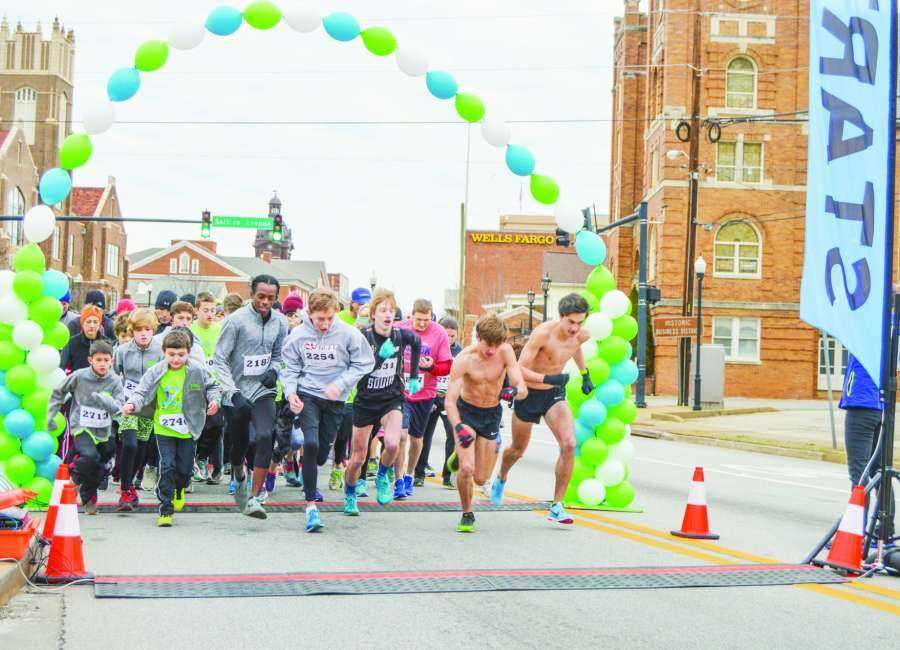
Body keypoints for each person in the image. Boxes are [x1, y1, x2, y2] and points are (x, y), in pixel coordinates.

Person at [494, 293, 594, 525]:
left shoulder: (581, 334)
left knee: (569, 443)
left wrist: (585, 374)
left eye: (580, 322)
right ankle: (501, 477)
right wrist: (548, 376)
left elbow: (575, 348)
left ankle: (557, 505)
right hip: (528, 393)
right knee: (518, 450)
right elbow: (519, 369)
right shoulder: (543, 334)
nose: (575, 328)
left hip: (553, 395)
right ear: (560, 317)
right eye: (571, 322)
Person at [281, 287, 375, 531]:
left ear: (336, 313)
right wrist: (291, 393)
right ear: (309, 313)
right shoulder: (298, 335)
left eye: (329, 318)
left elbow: (365, 362)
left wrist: (340, 384)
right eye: (319, 319)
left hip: (335, 400)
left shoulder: (348, 334)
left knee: (322, 453)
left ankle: (309, 465)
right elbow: (289, 368)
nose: (324, 324)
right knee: (310, 444)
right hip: (308, 395)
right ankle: (311, 507)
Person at [123, 329, 221, 527]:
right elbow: (141, 391)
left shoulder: (196, 370)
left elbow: (213, 386)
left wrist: (214, 400)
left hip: (188, 427)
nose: (176, 359)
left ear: (189, 352)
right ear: (164, 352)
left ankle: (179, 489)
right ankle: (165, 508)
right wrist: (132, 404)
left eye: (181, 355)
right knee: (167, 466)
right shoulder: (156, 371)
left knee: (184, 470)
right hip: (163, 428)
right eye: (171, 354)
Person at [214, 275, 288, 519]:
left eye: (271, 298)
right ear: (252, 294)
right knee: (240, 444)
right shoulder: (235, 321)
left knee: (266, 435)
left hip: (263, 391)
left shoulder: (280, 322)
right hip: (236, 393)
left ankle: (255, 498)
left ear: (277, 297)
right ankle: (238, 472)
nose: (265, 302)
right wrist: (231, 392)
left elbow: (279, 354)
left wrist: (273, 371)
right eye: (261, 297)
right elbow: (220, 359)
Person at [445, 314, 527, 532]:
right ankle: (467, 513)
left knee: (481, 479)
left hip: (491, 414)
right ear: (478, 337)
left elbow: (522, 387)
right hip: (466, 413)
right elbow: (450, 402)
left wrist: (514, 390)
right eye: (487, 344)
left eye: (496, 344)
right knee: (467, 469)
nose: (492, 350)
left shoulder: (506, 352)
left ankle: (465, 454)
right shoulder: (464, 360)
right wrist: (458, 426)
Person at [343, 289, 421, 514]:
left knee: (393, 443)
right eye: (383, 310)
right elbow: (359, 372)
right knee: (358, 458)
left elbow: (416, 343)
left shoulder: (400, 335)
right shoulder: (363, 338)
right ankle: (350, 494)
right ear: (374, 314)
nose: (388, 314)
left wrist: (414, 375)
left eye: (391, 310)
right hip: (366, 401)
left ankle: (382, 476)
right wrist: (379, 358)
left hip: (391, 398)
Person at [46, 340, 125, 514]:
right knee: (90, 456)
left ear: (112, 360)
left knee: (103, 466)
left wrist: (106, 400)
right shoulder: (80, 376)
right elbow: (59, 391)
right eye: (99, 360)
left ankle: (87, 495)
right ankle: (73, 480)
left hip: (104, 429)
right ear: (90, 360)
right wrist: (51, 415)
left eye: (106, 360)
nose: (103, 364)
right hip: (81, 425)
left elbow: (119, 408)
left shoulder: (114, 381)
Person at [395, 299, 452, 498]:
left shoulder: (439, 333)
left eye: (426, 320)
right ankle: (398, 479)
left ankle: (410, 474)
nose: (421, 324)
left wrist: (431, 367)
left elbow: (446, 366)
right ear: (412, 315)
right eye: (418, 320)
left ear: (431, 316)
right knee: (401, 436)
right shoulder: (400, 328)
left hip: (425, 392)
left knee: (416, 439)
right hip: (400, 392)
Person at [113, 308, 163, 511]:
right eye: (139, 329)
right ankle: (125, 490)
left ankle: (130, 484)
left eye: (148, 329)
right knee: (130, 445)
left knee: (142, 450)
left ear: (153, 330)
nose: (143, 334)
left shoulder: (160, 351)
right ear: (132, 331)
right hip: (128, 405)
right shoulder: (123, 351)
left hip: (149, 407)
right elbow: (114, 375)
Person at [840, 353, 894, 537]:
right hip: (880, 409)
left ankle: (856, 533)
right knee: (880, 471)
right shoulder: (885, 335)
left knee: (860, 474)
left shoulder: (864, 335)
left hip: (861, 406)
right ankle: (885, 530)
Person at [418, 317, 463, 488]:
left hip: (449, 399)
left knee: (453, 434)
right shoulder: (431, 346)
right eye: (446, 335)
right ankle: (418, 472)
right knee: (423, 435)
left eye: (453, 336)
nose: (449, 339)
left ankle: (448, 475)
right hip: (430, 394)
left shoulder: (461, 352)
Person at [191, 292, 225, 484]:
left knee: (216, 424)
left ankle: (203, 458)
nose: (210, 314)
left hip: (215, 385)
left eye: (213, 310)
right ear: (197, 310)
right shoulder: (191, 330)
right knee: (198, 425)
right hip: (196, 385)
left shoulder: (219, 329)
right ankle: (194, 463)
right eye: (205, 310)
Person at [60, 305, 111, 373]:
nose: (92, 325)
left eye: (95, 322)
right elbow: (62, 367)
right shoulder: (72, 343)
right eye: (88, 322)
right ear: (82, 323)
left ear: (99, 324)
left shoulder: (106, 343)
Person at [154, 301, 206, 365]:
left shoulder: (196, 347)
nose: (184, 323)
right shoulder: (156, 342)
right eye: (180, 318)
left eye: (188, 319)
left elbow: (203, 372)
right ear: (172, 319)